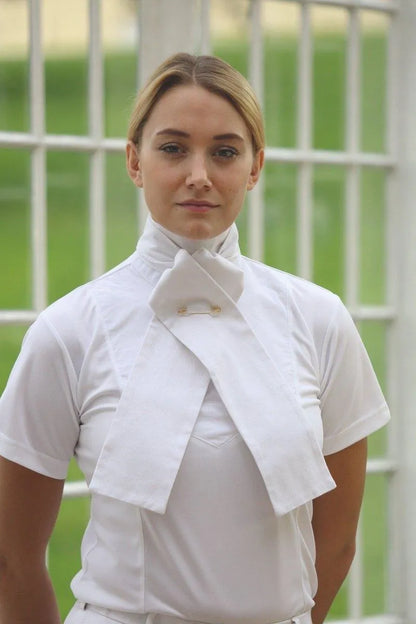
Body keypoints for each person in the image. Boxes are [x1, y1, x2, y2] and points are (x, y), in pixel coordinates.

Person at [0, 52, 390, 624]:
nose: (199, 175)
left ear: (255, 167)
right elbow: (11, 561)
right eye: (173, 148)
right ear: (135, 161)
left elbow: (337, 543)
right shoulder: (69, 331)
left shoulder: (319, 320)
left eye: (225, 152)